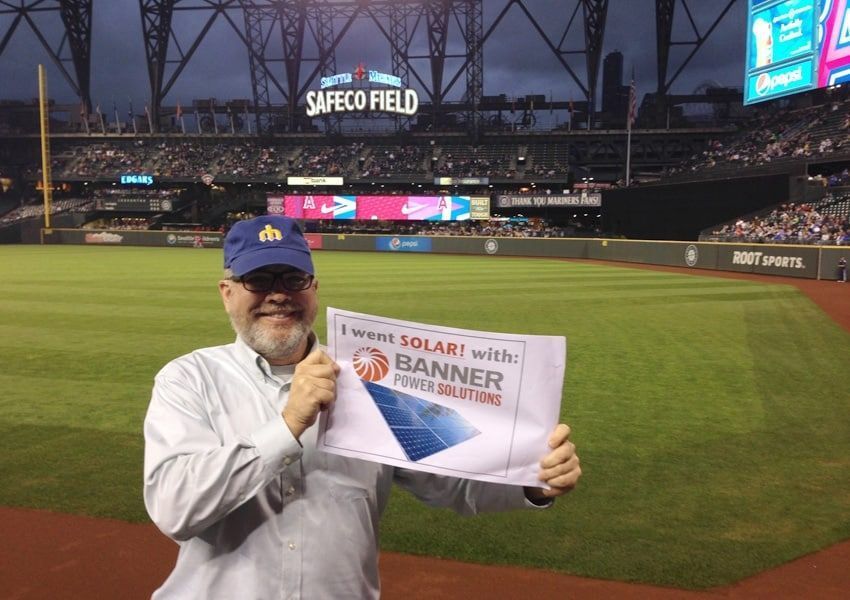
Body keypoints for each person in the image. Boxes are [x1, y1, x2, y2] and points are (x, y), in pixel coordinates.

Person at [143, 215, 582, 599]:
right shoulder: (189, 379)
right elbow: (174, 509)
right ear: (227, 292)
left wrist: (531, 479)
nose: (278, 294)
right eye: (258, 280)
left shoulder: (368, 376)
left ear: (313, 289)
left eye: (293, 279)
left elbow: (453, 482)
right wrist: (289, 424)